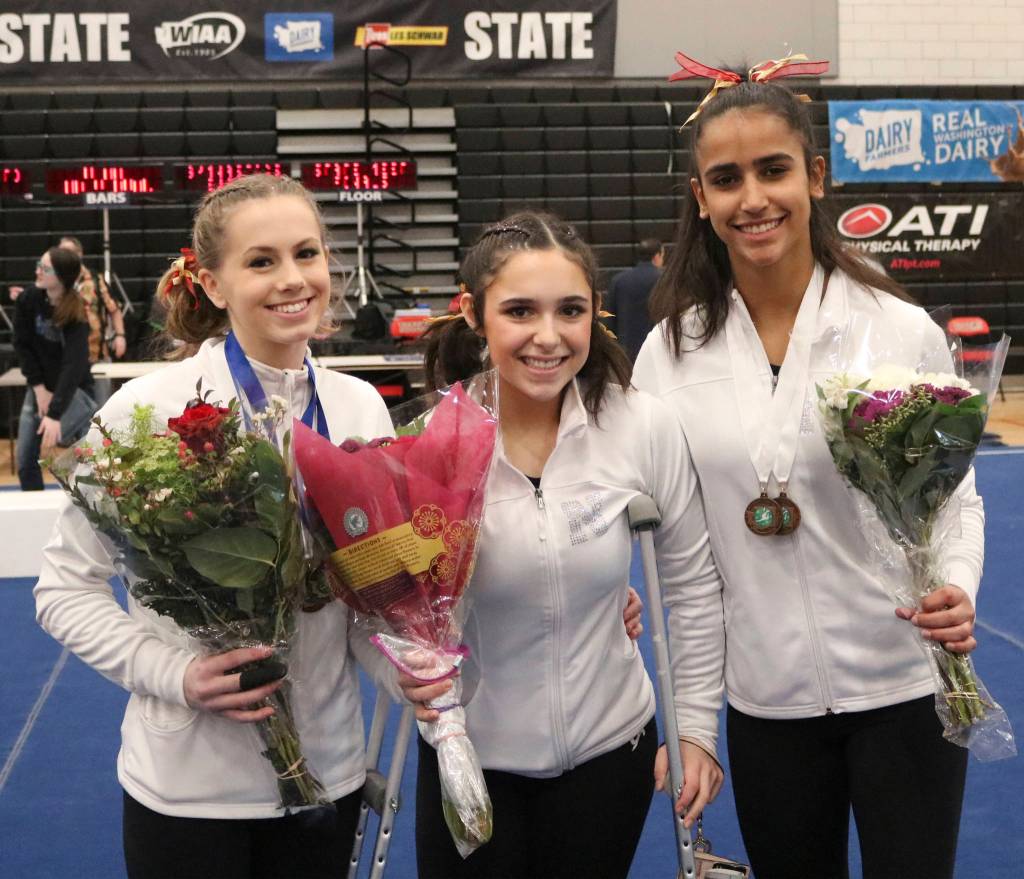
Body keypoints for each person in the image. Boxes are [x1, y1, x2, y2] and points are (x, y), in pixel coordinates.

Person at [632, 56, 983, 879]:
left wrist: (959, 584)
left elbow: (955, 497)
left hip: (905, 687)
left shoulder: (898, 330)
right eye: (726, 178)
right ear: (701, 198)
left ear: (815, 177)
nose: (752, 198)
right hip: (768, 705)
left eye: (773, 170)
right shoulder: (669, 354)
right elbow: (664, 543)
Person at [33, 174, 401, 879]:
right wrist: (174, 673)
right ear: (212, 282)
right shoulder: (144, 411)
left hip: (328, 774)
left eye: (308, 253)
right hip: (187, 790)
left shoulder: (359, 409)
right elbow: (62, 591)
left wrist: (409, 664)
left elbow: (363, 599)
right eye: (261, 261)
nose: (293, 278)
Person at [405, 212, 725, 879]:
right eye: (520, 310)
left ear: (595, 314)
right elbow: (394, 616)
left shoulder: (640, 425)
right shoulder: (433, 441)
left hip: (610, 751)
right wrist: (404, 675)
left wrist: (694, 728)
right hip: (470, 755)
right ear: (473, 312)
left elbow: (692, 585)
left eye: (570, 310)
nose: (547, 336)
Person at [13, 247, 96, 491]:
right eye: (39, 264)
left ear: (61, 276)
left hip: (75, 392)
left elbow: (74, 365)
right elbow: (22, 346)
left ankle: (84, 508)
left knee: (91, 458)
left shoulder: (76, 310)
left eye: (45, 268)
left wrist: (55, 412)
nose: (38, 270)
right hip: (40, 389)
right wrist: (39, 389)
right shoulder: (28, 300)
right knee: (26, 458)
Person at [59, 235, 128, 406]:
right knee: (70, 410)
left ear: (79, 254)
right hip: (65, 360)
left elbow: (114, 309)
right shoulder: (58, 283)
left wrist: (120, 335)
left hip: (96, 356)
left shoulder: (96, 280)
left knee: (100, 408)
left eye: (68, 252)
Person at [602, 238, 664, 362]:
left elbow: (609, 318)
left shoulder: (619, 280)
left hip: (626, 349)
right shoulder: (664, 279)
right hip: (658, 347)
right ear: (657, 256)